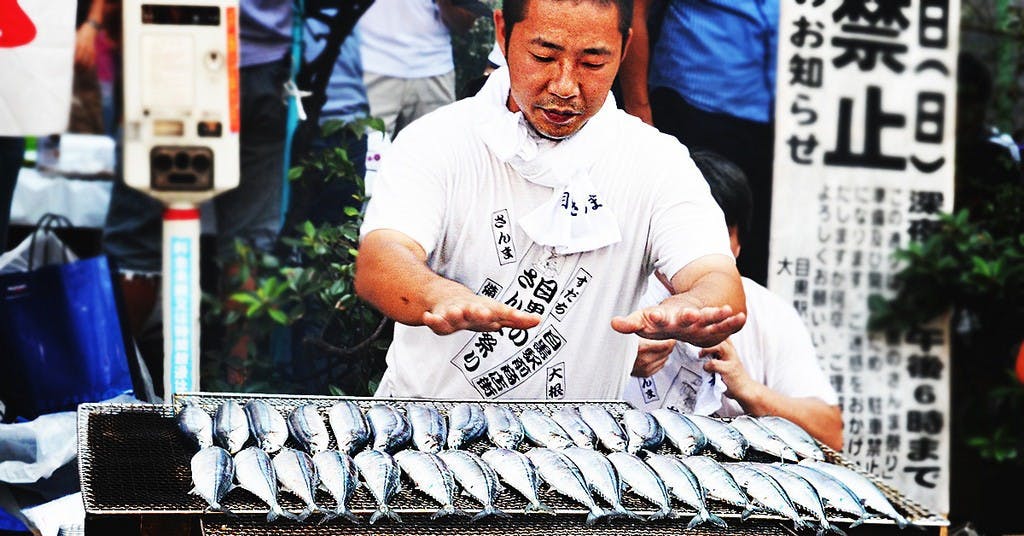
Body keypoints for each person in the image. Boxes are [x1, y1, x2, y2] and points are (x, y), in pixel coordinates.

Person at [355, 0, 747, 400]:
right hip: (427, 432)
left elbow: (716, 277)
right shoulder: (439, 139)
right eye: (544, 56)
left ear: (624, 47)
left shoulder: (656, 160)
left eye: (592, 63)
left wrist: (695, 305)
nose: (565, 86)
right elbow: (381, 258)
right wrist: (437, 294)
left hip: (581, 446)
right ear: (503, 32)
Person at [101, 0, 293, 393]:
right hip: (262, 58)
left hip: (173, 46)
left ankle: (112, 390)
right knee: (249, 242)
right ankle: (237, 394)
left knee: (136, 238)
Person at [624, 150, 842, 450]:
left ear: (738, 244)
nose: (701, 250)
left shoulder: (769, 313)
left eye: (719, 236)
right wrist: (620, 360)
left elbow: (831, 433)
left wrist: (748, 390)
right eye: (691, 234)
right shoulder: (620, 293)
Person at [618, 0, 778, 286]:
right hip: (697, 104)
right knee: (694, 238)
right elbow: (635, 11)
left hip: (789, 117)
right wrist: (639, 111)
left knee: (762, 247)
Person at [357, 0, 489, 139]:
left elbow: (465, 22)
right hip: (371, 67)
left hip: (433, 70)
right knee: (364, 155)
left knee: (437, 156)